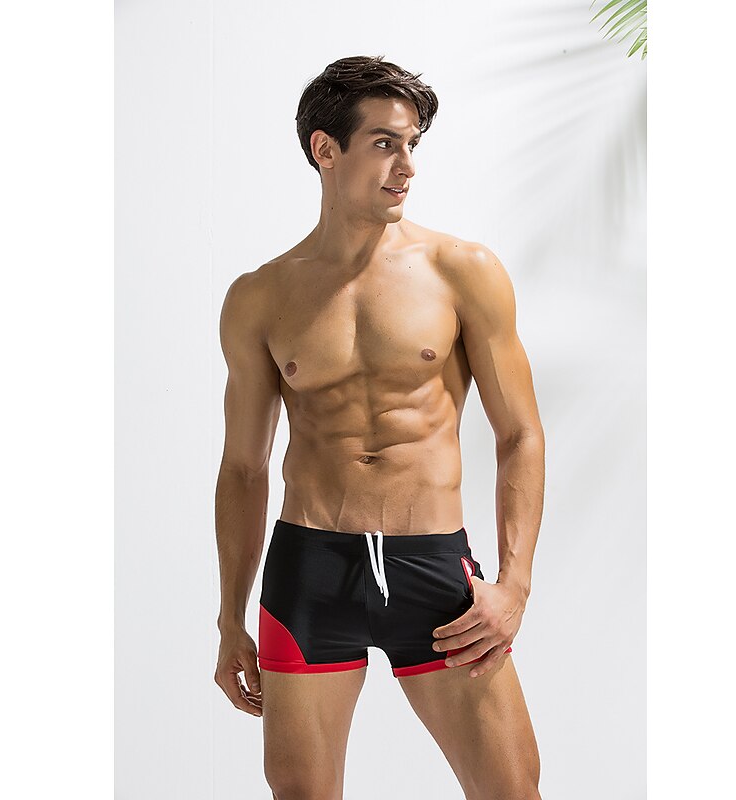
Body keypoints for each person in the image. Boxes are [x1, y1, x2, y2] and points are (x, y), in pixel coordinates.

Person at [213, 54, 545, 800]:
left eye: (413, 145)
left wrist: (515, 584)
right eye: (385, 143)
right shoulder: (259, 297)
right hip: (308, 573)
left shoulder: (462, 270)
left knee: (512, 789)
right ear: (325, 149)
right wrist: (230, 619)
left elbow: (519, 434)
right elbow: (242, 467)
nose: (407, 167)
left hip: (434, 572)